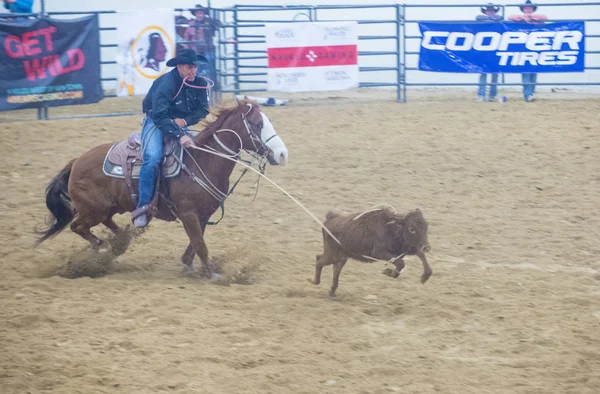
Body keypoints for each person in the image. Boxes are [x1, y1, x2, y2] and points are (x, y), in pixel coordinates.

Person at [132, 48, 210, 228]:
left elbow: (203, 109)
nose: (194, 71)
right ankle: (142, 206)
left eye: (195, 67)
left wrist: (184, 121)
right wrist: (178, 135)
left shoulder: (199, 83)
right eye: (190, 67)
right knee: (152, 158)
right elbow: (159, 116)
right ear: (180, 66)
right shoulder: (166, 84)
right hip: (156, 122)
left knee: (196, 154)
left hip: (179, 123)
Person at [509, 0, 548, 102]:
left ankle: (531, 93)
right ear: (523, 9)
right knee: (525, 72)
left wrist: (531, 17)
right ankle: (528, 95)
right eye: (526, 8)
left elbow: (544, 17)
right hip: (523, 49)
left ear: (532, 9)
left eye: (530, 8)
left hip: (535, 49)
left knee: (534, 73)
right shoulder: (519, 19)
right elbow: (510, 17)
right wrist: (523, 18)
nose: (528, 9)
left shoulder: (537, 19)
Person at [475, 3, 503, 102]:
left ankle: (492, 95)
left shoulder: (497, 18)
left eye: (492, 11)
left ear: (494, 11)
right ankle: (481, 94)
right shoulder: (481, 19)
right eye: (488, 10)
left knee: (494, 74)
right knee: (483, 73)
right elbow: (478, 17)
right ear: (485, 11)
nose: (490, 12)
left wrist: (491, 19)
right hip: (483, 50)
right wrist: (491, 19)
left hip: (495, 50)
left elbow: (500, 17)